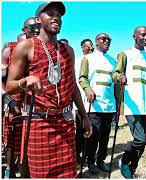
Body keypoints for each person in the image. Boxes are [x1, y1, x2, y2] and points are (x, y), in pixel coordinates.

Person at [6, 2, 92, 178]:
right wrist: (26, 80)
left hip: (65, 123)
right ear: (38, 19)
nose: (56, 17)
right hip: (39, 123)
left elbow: (73, 86)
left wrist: (85, 117)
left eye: (59, 15)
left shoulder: (68, 50)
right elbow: (9, 85)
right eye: (50, 14)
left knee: (69, 174)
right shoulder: (26, 47)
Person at [112, 26, 146, 178]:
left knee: (144, 142)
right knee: (140, 139)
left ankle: (132, 168)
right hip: (132, 106)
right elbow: (115, 74)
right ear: (134, 36)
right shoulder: (126, 54)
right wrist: (120, 77)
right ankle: (124, 161)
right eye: (143, 35)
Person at [2, 18, 39, 178]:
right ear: (24, 29)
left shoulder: (40, 48)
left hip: (32, 101)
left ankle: (27, 170)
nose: (36, 29)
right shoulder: (8, 50)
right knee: (12, 138)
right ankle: (9, 169)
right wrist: (8, 101)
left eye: (37, 26)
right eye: (32, 27)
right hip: (13, 100)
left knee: (29, 139)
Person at [79, 33, 116, 174]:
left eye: (109, 40)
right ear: (96, 42)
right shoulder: (87, 58)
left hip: (110, 104)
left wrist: (118, 102)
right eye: (104, 39)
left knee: (105, 136)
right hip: (94, 103)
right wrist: (88, 90)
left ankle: (101, 161)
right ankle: (91, 161)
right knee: (94, 135)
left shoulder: (113, 61)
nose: (107, 41)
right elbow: (82, 78)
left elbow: (115, 84)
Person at [75, 38, 94, 165]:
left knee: (90, 130)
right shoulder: (76, 61)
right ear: (82, 47)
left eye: (92, 46)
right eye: (88, 46)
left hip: (91, 102)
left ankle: (88, 155)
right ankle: (78, 154)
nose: (91, 48)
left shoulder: (95, 61)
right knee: (79, 130)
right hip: (77, 102)